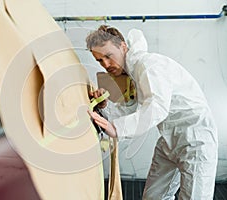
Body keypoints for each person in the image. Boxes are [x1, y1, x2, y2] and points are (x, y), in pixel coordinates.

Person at [87, 25, 218, 199]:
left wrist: (117, 128)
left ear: (123, 46)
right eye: (100, 60)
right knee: (153, 197)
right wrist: (103, 107)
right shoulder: (133, 73)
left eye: (108, 56)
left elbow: (156, 108)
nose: (106, 65)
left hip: (195, 140)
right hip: (169, 140)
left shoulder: (149, 66)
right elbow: (133, 107)